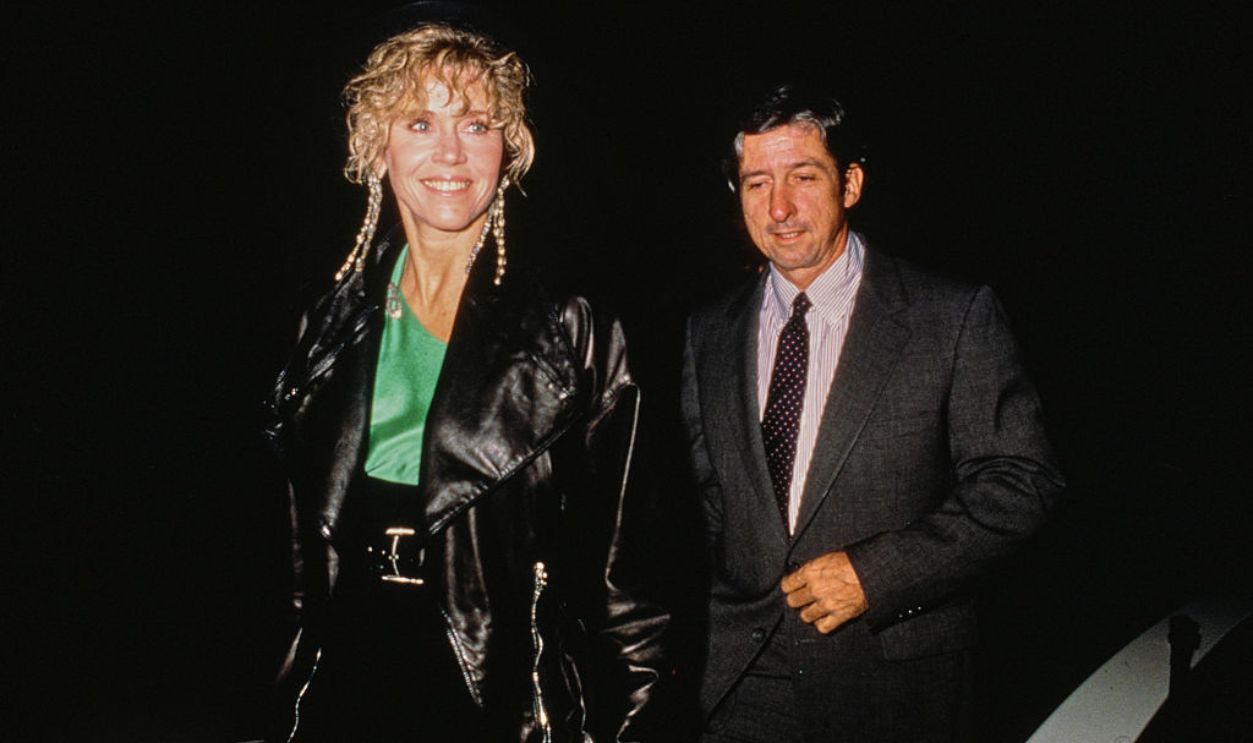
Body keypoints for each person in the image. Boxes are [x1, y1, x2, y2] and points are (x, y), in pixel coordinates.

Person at [263, 13, 669, 742]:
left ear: (507, 149)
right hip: (345, 677)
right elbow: (287, 575)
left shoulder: (571, 330)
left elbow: (630, 586)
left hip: (499, 689)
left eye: (477, 124)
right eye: (420, 122)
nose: (451, 151)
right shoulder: (323, 326)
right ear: (373, 145)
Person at [681, 84, 1065, 742]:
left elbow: (1021, 481)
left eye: (803, 177)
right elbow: (715, 498)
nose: (778, 208)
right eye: (755, 183)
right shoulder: (707, 332)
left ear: (849, 184)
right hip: (744, 688)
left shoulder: (951, 314)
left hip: (892, 688)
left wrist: (879, 573)